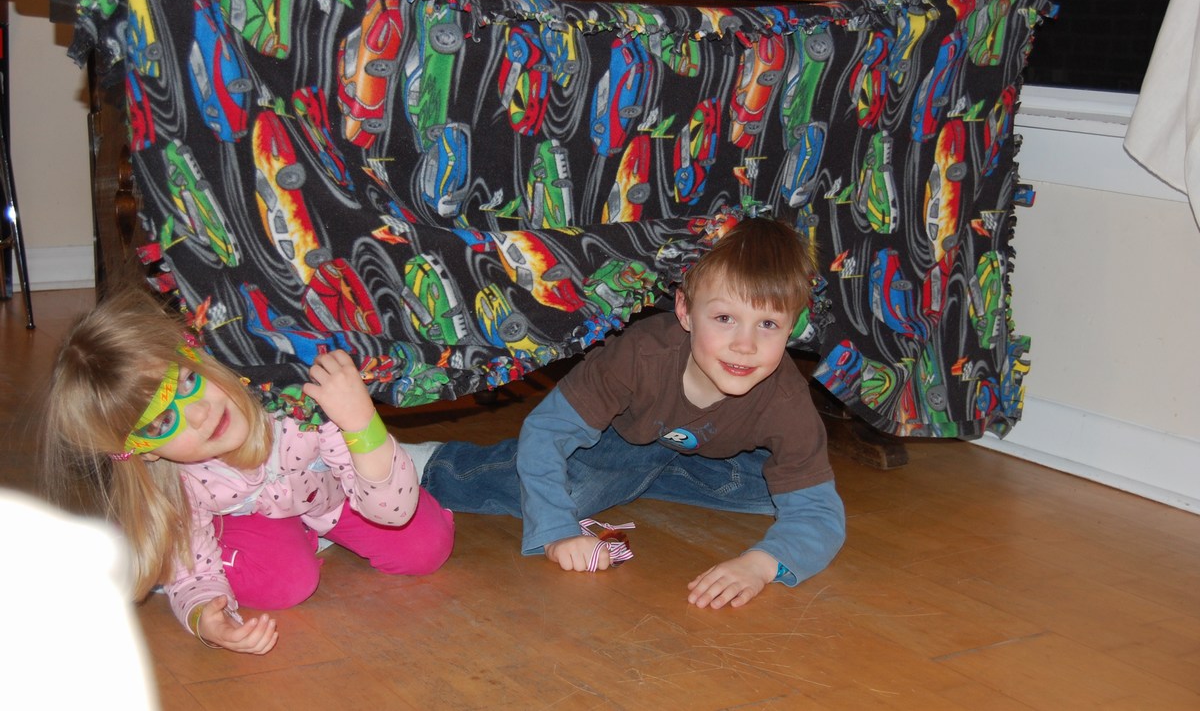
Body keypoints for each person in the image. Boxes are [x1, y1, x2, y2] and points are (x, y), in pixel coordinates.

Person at [414, 216, 845, 610]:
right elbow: (547, 433)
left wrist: (762, 564)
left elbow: (820, 512)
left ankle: (642, 477)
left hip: (713, 452)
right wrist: (557, 532)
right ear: (685, 311)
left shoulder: (786, 399)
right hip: (624, 438)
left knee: (777, 496)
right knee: (572, 493)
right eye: (724, 318)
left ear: (791, 327)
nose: (745, 345)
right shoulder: (640, 354)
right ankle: (431, 464)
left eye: (768, 324)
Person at [42, 288, 455, 655]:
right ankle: (150, 541)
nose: (200, 413)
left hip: (327, 491)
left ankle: (375, 467)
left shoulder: (297, 402)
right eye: (163, 422)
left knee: (425, 546)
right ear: (143, 452)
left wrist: (361, 424)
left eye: (187, 381)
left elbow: (393, 513)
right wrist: (207, 618)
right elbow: (195, 575)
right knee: (287, 582)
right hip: (245, 516)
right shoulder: (181, 480)